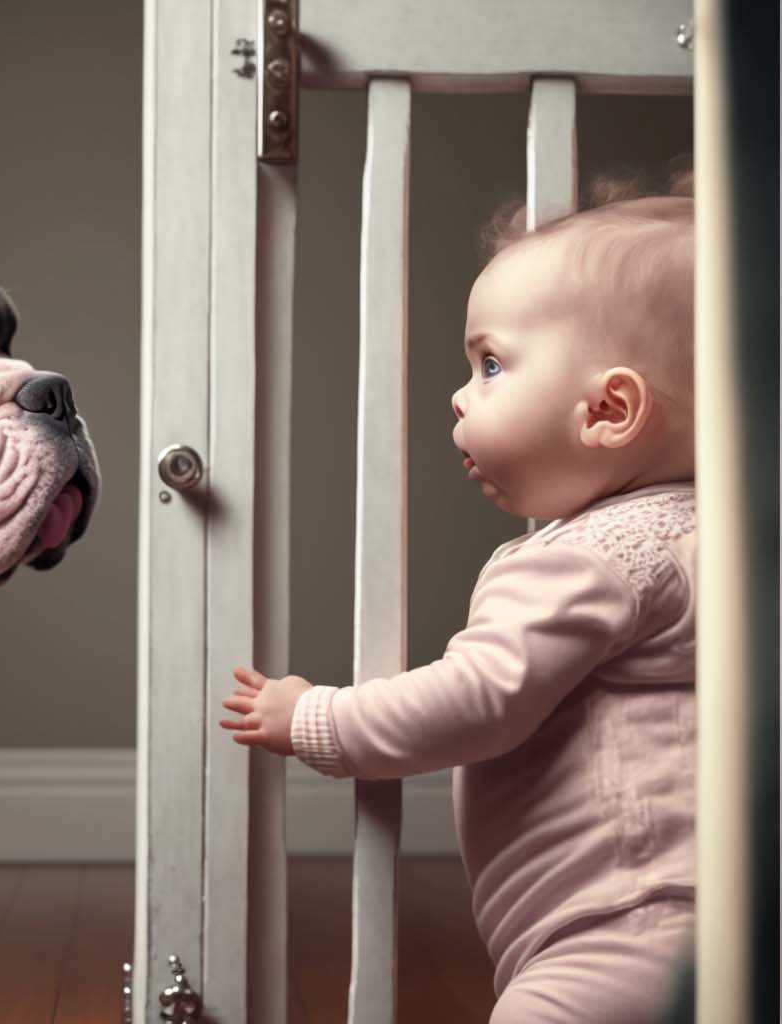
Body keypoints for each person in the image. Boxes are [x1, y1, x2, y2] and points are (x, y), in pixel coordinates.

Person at [221, 173, 696, 1023]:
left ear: (609, 408)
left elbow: (478, 698)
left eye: (490, 364)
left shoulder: (586, 559)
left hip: (622, 923)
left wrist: (318, 720)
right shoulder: (726, 543)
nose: (459, 392)